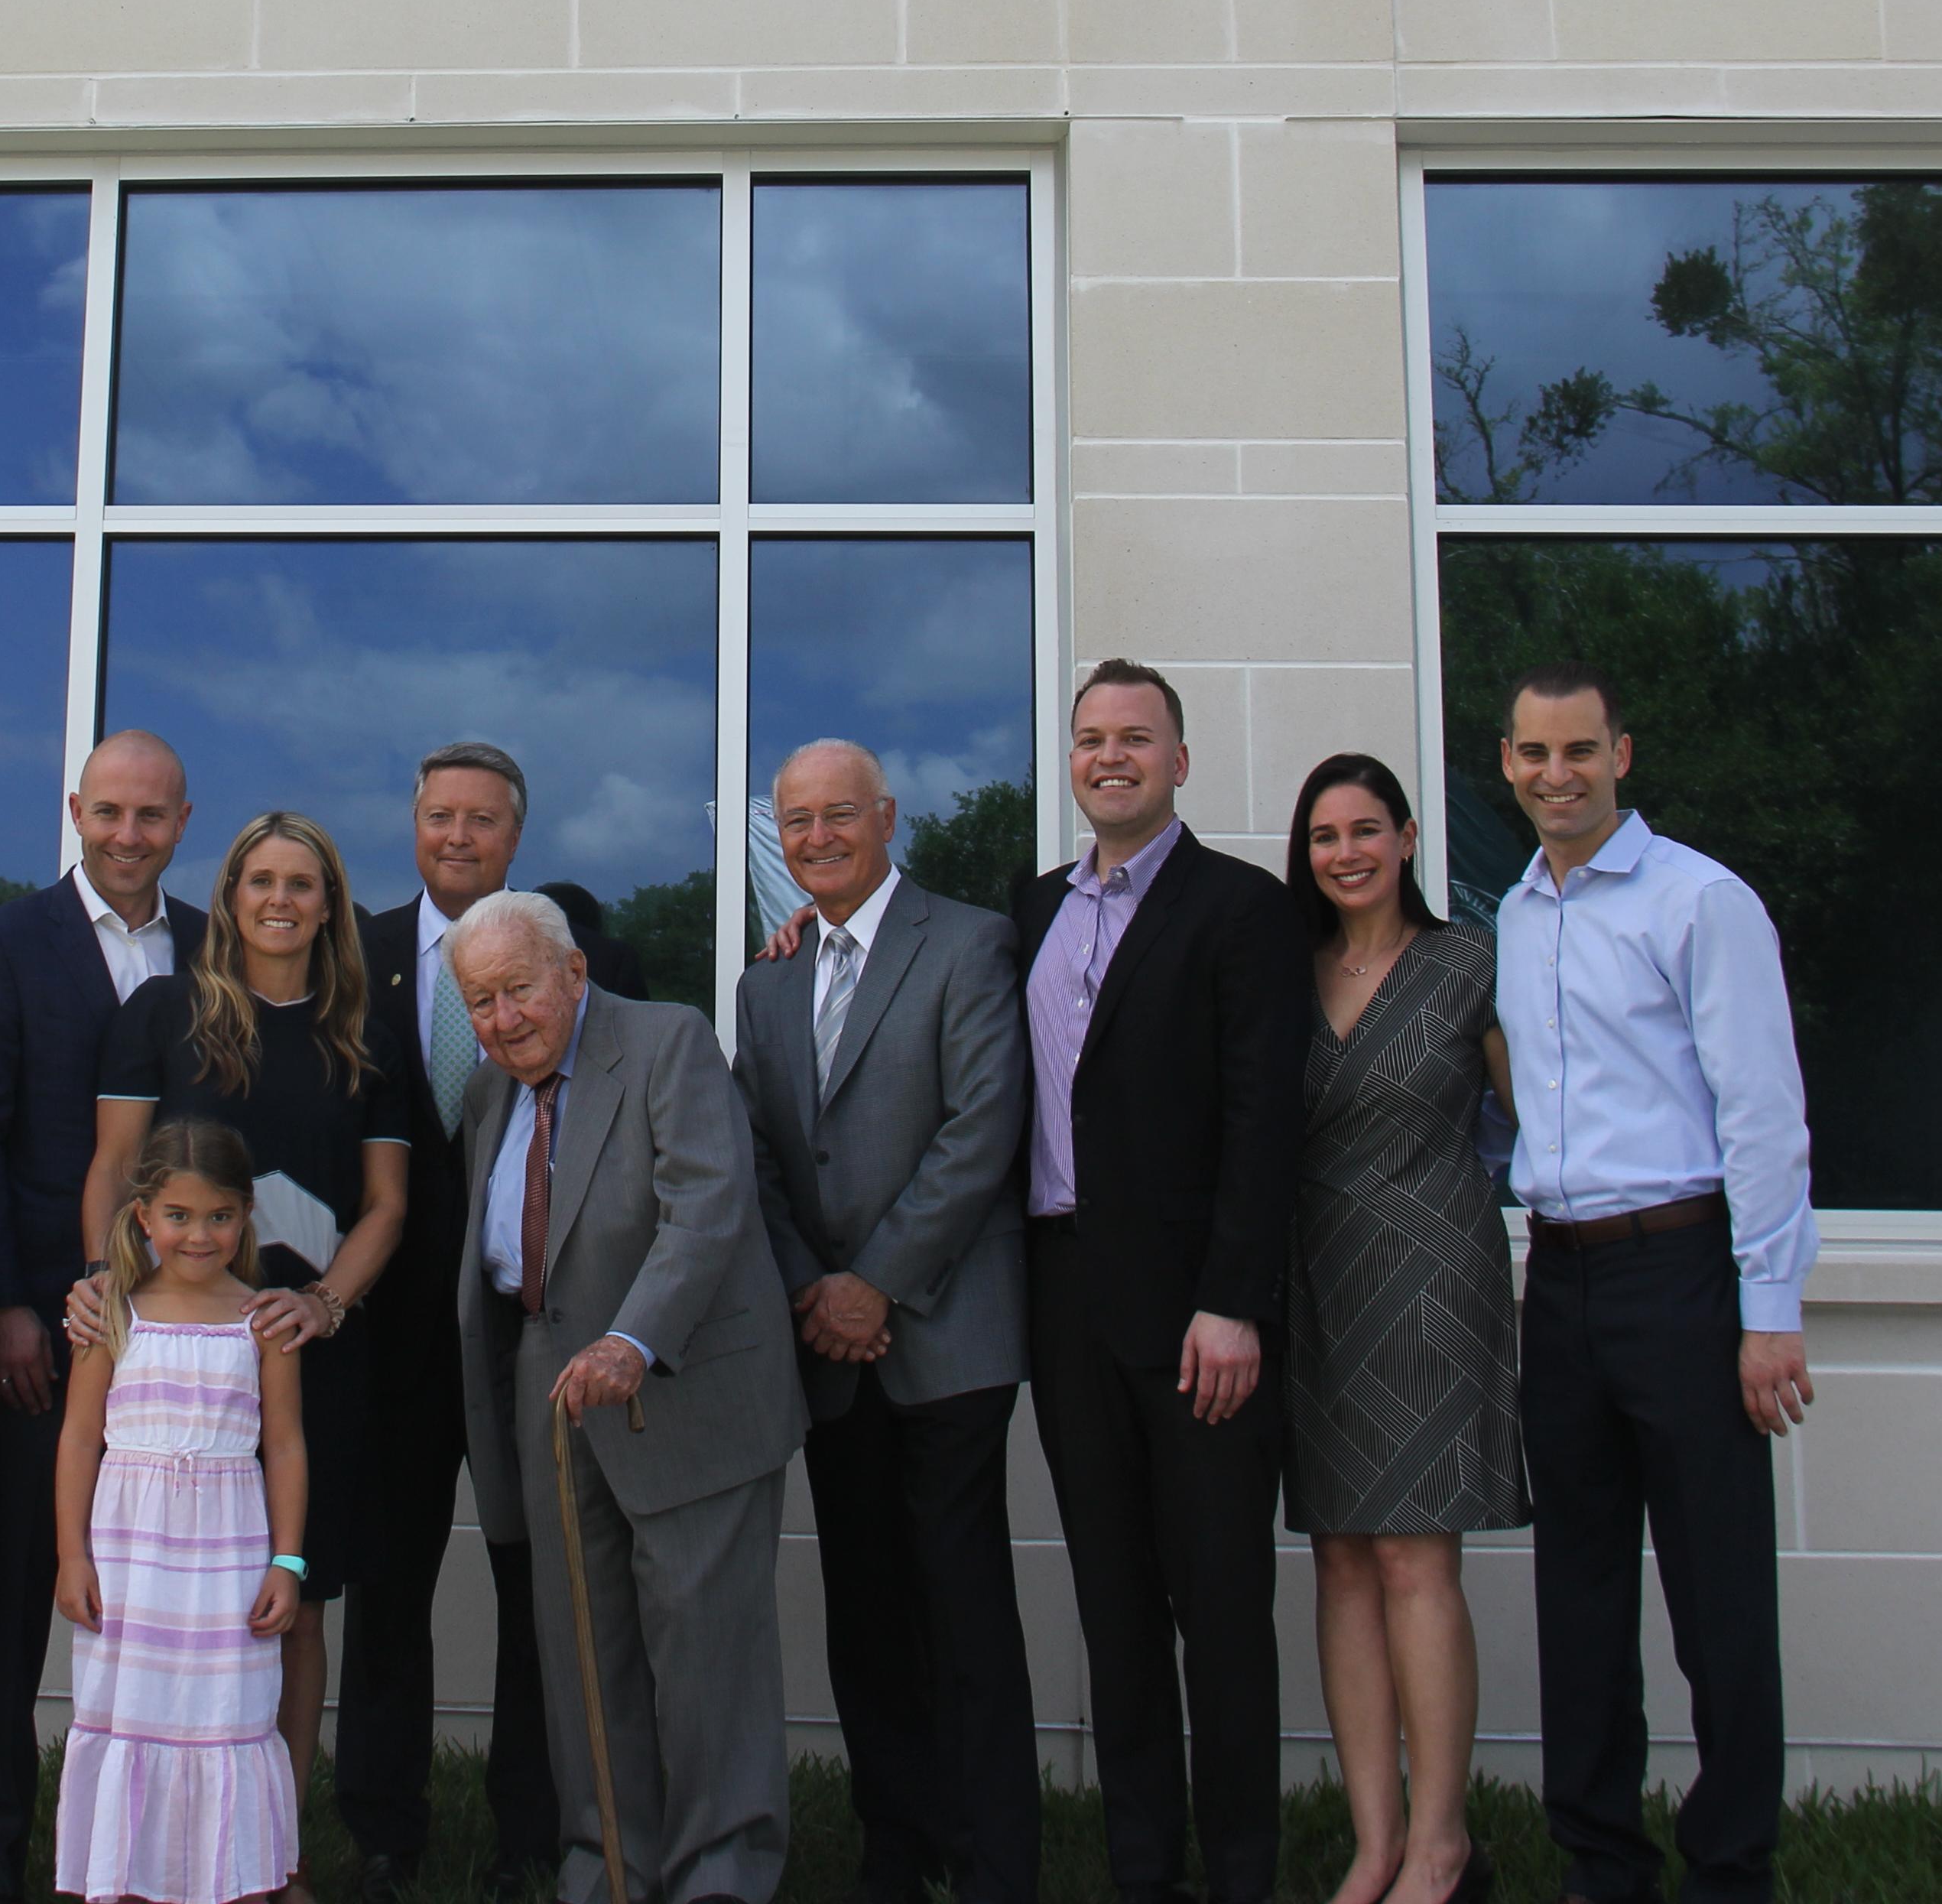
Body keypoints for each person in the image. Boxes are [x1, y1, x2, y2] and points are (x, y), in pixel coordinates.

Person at [1490, 667, 1815, 1904]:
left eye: (1577, 749)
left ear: (1619, 754)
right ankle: (1597, 1861)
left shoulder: (1698, 901)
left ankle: (1730, 1865)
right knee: (1576, 1593)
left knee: (1717, 1595)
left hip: (1680, 1275)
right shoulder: (1513, 913)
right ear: (1506, 761)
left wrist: (1766, 1310)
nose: (1553, 773)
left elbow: (1763, 1115)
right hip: (1559, 1280)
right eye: (1530, 752)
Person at [450, 891, 806, 1904]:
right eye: (481, 1001)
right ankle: (608, 1866)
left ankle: (721, 1874)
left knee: (705, 1661)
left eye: (519, 990)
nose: (505, 1018)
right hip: (548, 1397)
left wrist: (631, 1338)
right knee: (582, 1656)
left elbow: (707, 1208)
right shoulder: (489, 1093)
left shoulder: (667, 1043)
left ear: (572, 974)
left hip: (673, 1385)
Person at [729, 740, 1038, 1904]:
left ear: (888, 818)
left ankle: (997, 1862)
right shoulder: (766, 983)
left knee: (964, 1618)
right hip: (829, 1346)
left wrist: (878, 1282)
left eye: (839, 815)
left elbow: (982, 1129)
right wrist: (817, 1284)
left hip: (947, 1332)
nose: (816, 838)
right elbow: (757, 1150)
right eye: (796, 821)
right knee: (864, 1620)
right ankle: (896, 1855)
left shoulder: (967, 942)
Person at [1015, 659, 1303, 1904]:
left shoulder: (1239, 909)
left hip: (1198, 1316)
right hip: (1062, 1300)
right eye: (1088, 738)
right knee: (1114, 1604)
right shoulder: (1026, 910)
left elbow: (1261, 1119)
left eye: (1135, 737)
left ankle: (1239, 1872)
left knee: (1221, 1610)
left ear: (1178, 761)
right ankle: (1145, 1870)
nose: (1109, 756)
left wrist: (1232, 1298)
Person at [79, 811, 414, 1833]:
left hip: (305, 1356)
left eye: (301, 883)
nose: (279, 899)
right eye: (259, 879)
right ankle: (160, 1841)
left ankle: (277, 1845)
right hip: (173, 1362)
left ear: (329, 905)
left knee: (294, 1601)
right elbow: (111, 1168)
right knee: (173, 1599)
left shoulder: (365, 1034)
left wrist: (323, 1302)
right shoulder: (159, 1011)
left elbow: (387, 1204)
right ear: (228, 896)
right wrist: (100, 1278)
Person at [343, 739, 638, 1901]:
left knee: (541, 1596)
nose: (457, 837)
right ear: (412, 825)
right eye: (438, 817)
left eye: (481, 821)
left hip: (535, 1335)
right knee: (387, 1589)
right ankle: (381, 1832)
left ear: (517, 836)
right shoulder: (351, 956)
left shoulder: (588, 960)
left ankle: (535, 1837)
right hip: (391, 1336)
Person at [0, 730, 201, 1904]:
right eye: (109, 814)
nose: (128, 836)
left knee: (157, 1598)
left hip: (187, 1340)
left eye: (150, 817)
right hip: (44, 1333)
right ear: (76, 812)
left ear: (182, 823)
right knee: (12, 1612)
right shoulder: (3, 945)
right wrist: (6, 1303)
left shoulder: (216, 943)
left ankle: (143, 1857)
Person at [1281, 755, 1524, 1904]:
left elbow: (1547, 1117)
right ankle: (1372, 1844)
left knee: (1415, 1556)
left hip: (1435, 1276)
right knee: (1338, 1556)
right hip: (1316, 1280)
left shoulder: (1471, 963)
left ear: (1409, 837)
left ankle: (1441, 1844)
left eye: (1366, 830)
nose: (1346, 853)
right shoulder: (1286, 971)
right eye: (1325, 836)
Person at [52, 1119, 308, 1904]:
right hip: (133, 1569)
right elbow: (78, 1440)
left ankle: (230, 1883)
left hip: (226, 1567)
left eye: (220, 1217)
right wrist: (71, 1557)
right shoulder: (110, 1315)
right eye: (179, 1216)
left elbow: (288, 1448)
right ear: (144, 1217)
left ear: (245, 1216)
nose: (200, 1236)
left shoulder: (264, 1320)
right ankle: (127, 1881)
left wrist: (287, 1562)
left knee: (224, 1719)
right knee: (133, 1717)